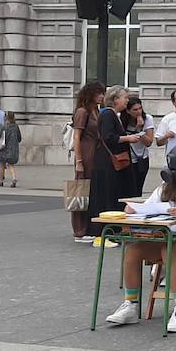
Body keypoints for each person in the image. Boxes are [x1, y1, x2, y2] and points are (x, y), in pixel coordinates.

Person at [105, 142, 176, 333]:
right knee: (133, 249)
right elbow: (150, 204)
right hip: (168, 235)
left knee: (170, 249)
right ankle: (131, 304)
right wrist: (134, 209)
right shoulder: (170, 183)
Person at [87, 86, 144, 240]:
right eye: (124, 97)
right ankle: (106, 230)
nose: (127, 100)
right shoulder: (108, 115)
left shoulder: (114, 114)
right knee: (109, 194)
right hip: (108, 162)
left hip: (112, 161)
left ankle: (115, 229)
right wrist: (128, 138)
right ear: (115, 99)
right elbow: (108, 137)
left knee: (115, 192)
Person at [70, 81, 104, 242]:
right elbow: (76, 136)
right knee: (81, 191)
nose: (102, 96)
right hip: (85, 152)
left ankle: (88, 226)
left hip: (95, 152)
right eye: (99, 93)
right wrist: (78, 160)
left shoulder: (95, 110)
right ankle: (79, 230)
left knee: (91, 191)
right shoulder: (82, 112)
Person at [125, 96, 156, 195]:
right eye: (135, 109)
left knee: (138, 187)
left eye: (140, 108)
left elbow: (149, 142)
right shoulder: (121, 118)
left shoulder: (147, 119)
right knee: (127, 188)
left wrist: (139, 130)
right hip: (127, 158)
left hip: (141, 158)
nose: (138, 112)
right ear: (128, 111)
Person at [0, 111, 21, 187]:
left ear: (6, 117)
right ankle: (13, 178)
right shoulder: (16, 126)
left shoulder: (3, 126)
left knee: (1, 164)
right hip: (13, 149)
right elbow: (19, 138)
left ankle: (0, 181)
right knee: (11, 164)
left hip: (3, 148)